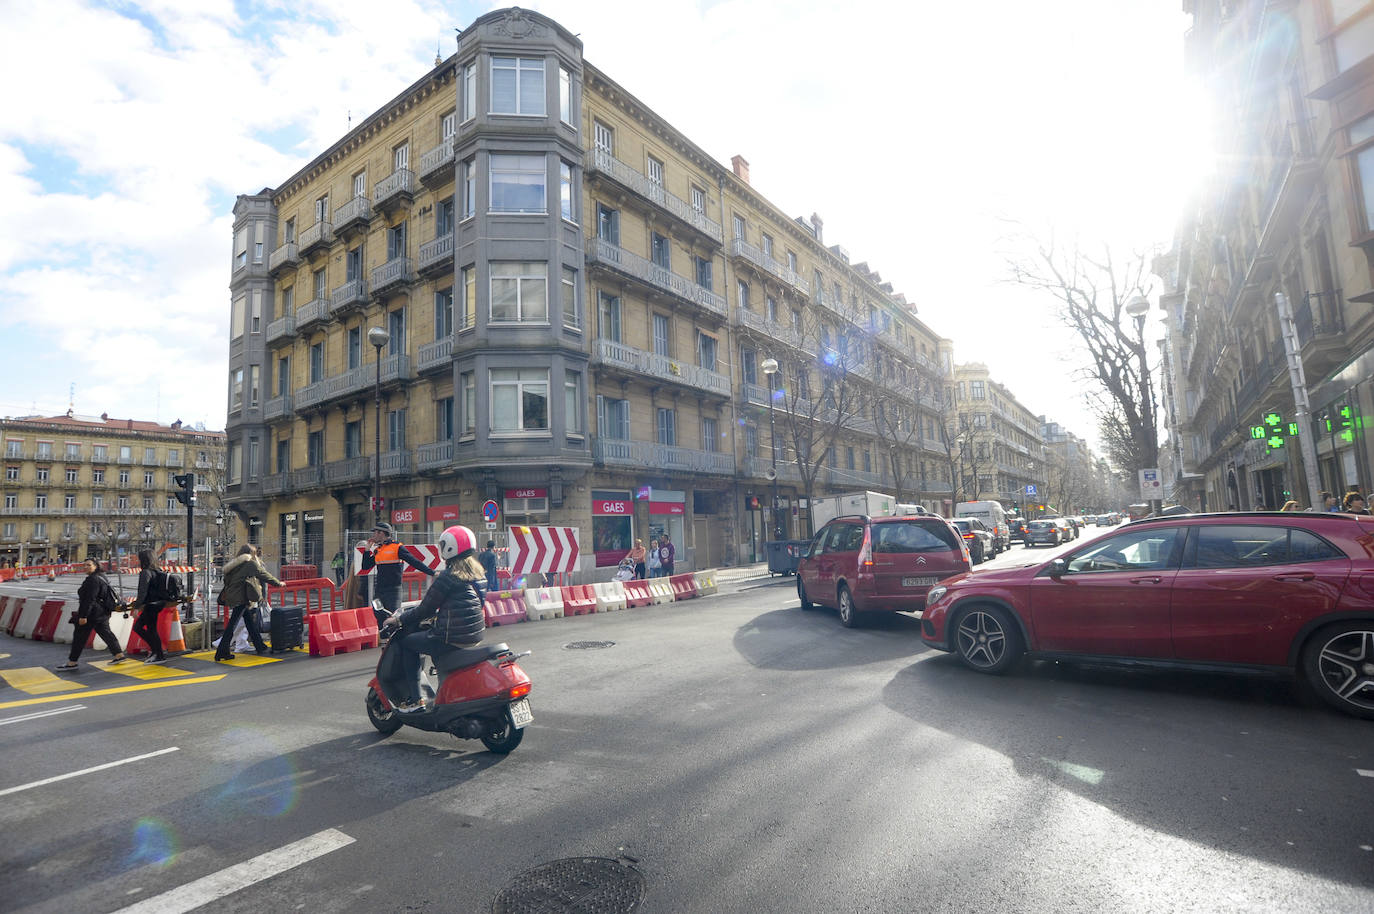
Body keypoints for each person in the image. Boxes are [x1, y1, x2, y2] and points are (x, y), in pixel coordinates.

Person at [382, 525, 488, 713]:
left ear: (449, 548)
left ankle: (417, 700)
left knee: (407, 643)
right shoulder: (479, 575)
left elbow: (425, 608)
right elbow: (466, 604)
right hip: (475, 635)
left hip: (451, 636)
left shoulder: (449, 576)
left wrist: (399, 620)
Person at [55, 559, 129, 670]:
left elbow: (89, 599)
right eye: (84, 565)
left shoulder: (92, 580)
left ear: (95, 566)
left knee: (79, 637)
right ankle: (119, 655)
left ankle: (72, 662)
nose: (85, 567)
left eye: (88, 565)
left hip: (92, 614)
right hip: (103, 612)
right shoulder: (102, 577)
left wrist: (83, 616)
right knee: (106, 633)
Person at [360, 522, 437, 627]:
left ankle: (393, 641)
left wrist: (432, 572)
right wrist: (367, 550)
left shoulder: (397, 547)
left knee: (393, 617)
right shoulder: (378, 550)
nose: (373, 536)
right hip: (379, 590)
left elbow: (414, 562)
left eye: (375, 533)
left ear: (381, 533)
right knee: (378, 615)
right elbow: (365, 566)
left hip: (393, 591)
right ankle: (383, 640)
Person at [217, 544, 282, 661]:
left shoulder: (233, 565)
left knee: (249, 623)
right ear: (251, 554)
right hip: (240, 598)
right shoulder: (249, 564)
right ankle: (221, 651)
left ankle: (259, 645)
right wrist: (278, 583)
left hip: (233, 596)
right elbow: (263, 575)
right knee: (232, 625)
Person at [130, 550, 168, 663]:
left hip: (150, 605)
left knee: (144, 628)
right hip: (158, 603)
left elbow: (142, 592)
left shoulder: (145, 572)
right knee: (149, 629)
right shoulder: (158, 570)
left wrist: (136, 607)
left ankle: (158, 653)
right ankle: (157, 652)